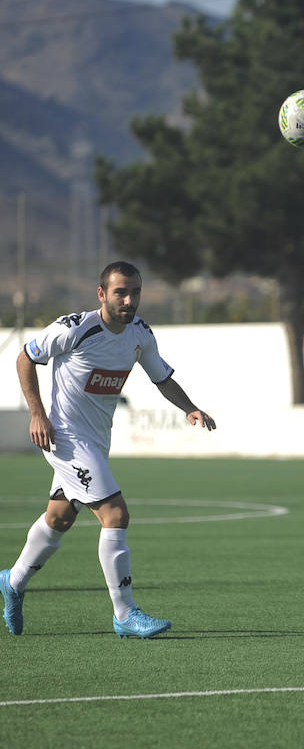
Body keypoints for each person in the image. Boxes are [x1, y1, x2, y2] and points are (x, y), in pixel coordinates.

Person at [1, 261, 216, 640]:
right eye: (120, 292)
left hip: (97, 440)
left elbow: (161, 377)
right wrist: (37, 414)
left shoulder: (139, 334)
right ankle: (125, 614)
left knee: (60, 518)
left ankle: (14, 581)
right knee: (115, 514)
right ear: (101, 294)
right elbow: (25, 358)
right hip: (64, 437)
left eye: (135, 292)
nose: (129, 300)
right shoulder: (76, 328)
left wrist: (190, 408)